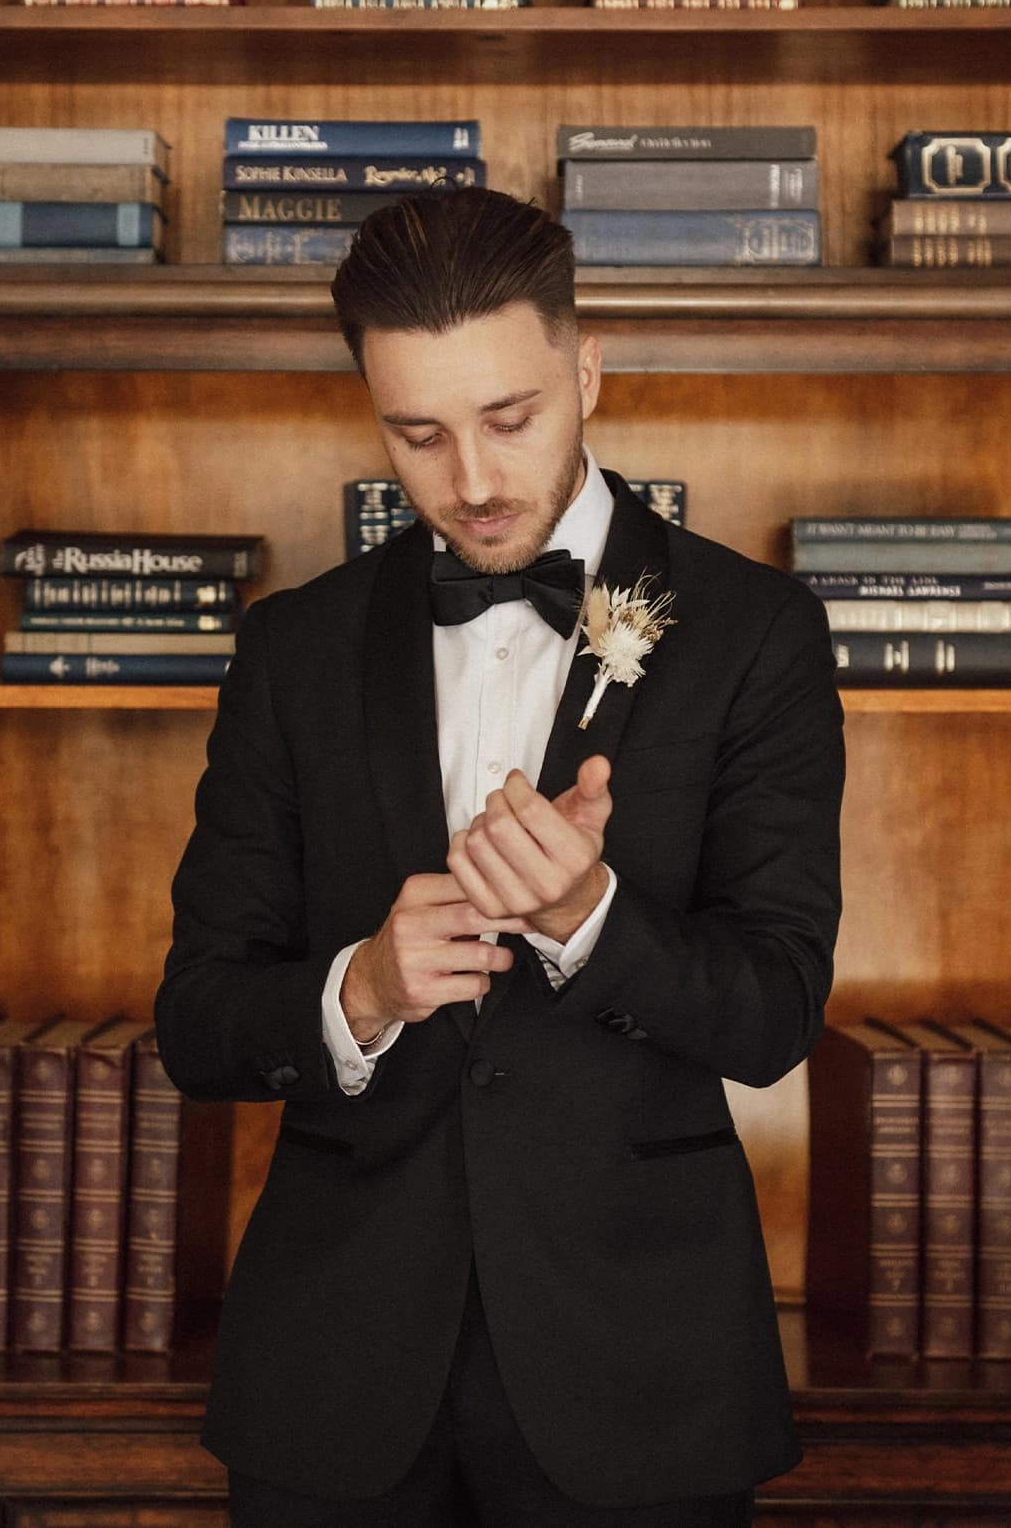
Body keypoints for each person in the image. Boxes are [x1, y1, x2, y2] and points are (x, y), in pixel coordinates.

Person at [153, 187, 847, 1526]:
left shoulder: (753, 632)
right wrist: (362, 988)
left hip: (641, 1376)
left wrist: (592, 916)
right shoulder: (293, 649)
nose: (468, 480)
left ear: (586, 369)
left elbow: (771, 1015)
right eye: (416, 433)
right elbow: (198, 1019)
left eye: (508, 419)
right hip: (332, 1384)